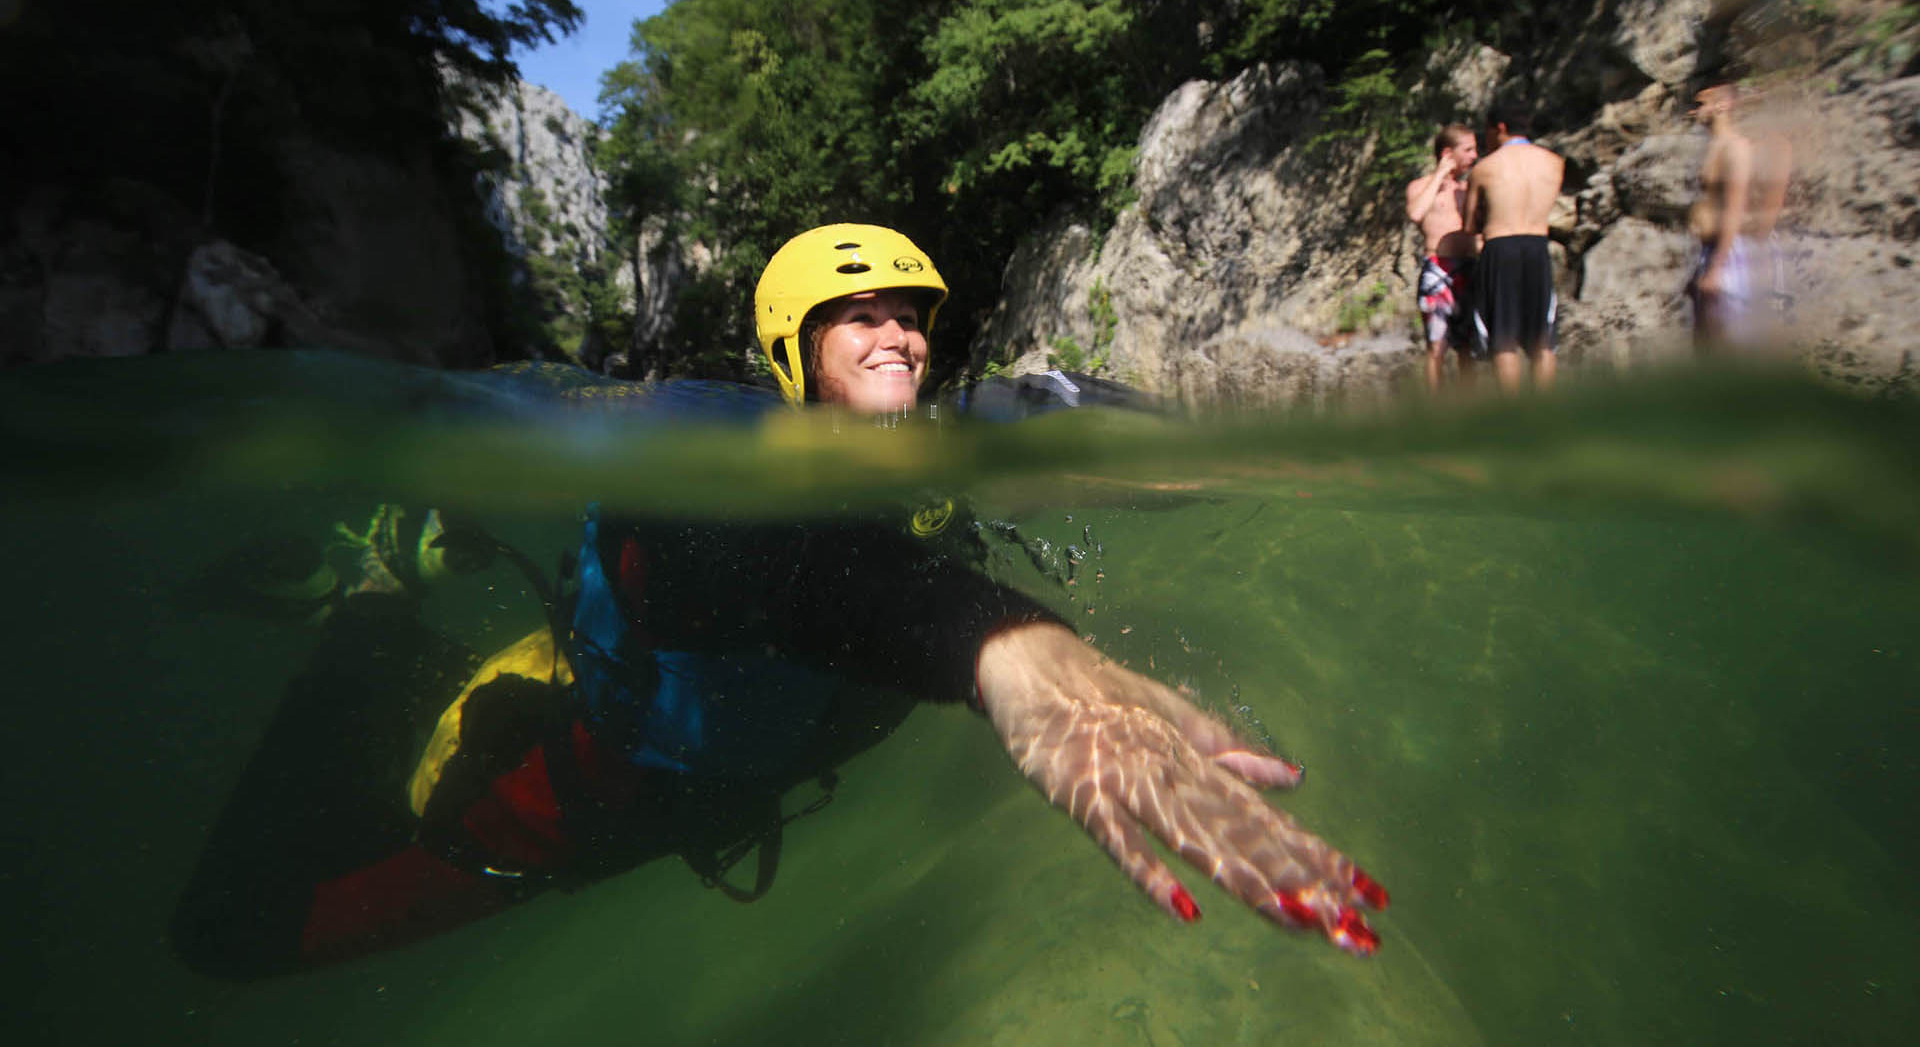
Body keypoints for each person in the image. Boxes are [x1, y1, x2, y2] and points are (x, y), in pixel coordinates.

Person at [172, 224, 1389, 979]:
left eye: (912, 318)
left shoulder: (937, 472)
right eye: (861, 317)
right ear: (790, 351)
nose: (901, 338)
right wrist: (1017, 654)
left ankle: (425, 584)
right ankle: (371, 607)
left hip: (620, 689)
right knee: (228, 938)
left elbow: (891, 564)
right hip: (585, 779)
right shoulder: (711, 450)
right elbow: (783, 576)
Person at [1464, 107, 1565, 392]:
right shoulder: (1554, 163)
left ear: (1501, 127)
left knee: (1503, 336)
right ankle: (1545, 410)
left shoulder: (1485, 168)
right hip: (1537, 244)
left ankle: (1515, 413)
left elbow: (1469, 225)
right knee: (1543, 336)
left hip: (1500, 245)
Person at [1686, 82, 1793, 349]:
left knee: (1733, 346)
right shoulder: (1714, 147)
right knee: (1705, 346)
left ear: (1722, 105)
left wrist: (1717, 268)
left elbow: (1735, 208)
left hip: (1732, 253)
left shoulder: (1736, 148)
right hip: (1709, 250)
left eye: (1700, 104)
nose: (1693, 112)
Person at [1405, 123, 1483, 392]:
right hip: (1438, 268)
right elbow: (1416, 213)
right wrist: (1440, 175)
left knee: (1468, 349)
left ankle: (1470, 407)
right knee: (1436, 346)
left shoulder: (1469, 188)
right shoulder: (1420, 186)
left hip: (1470, 269)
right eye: (1468, 149)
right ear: (1448, 153)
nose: (1474, 155)